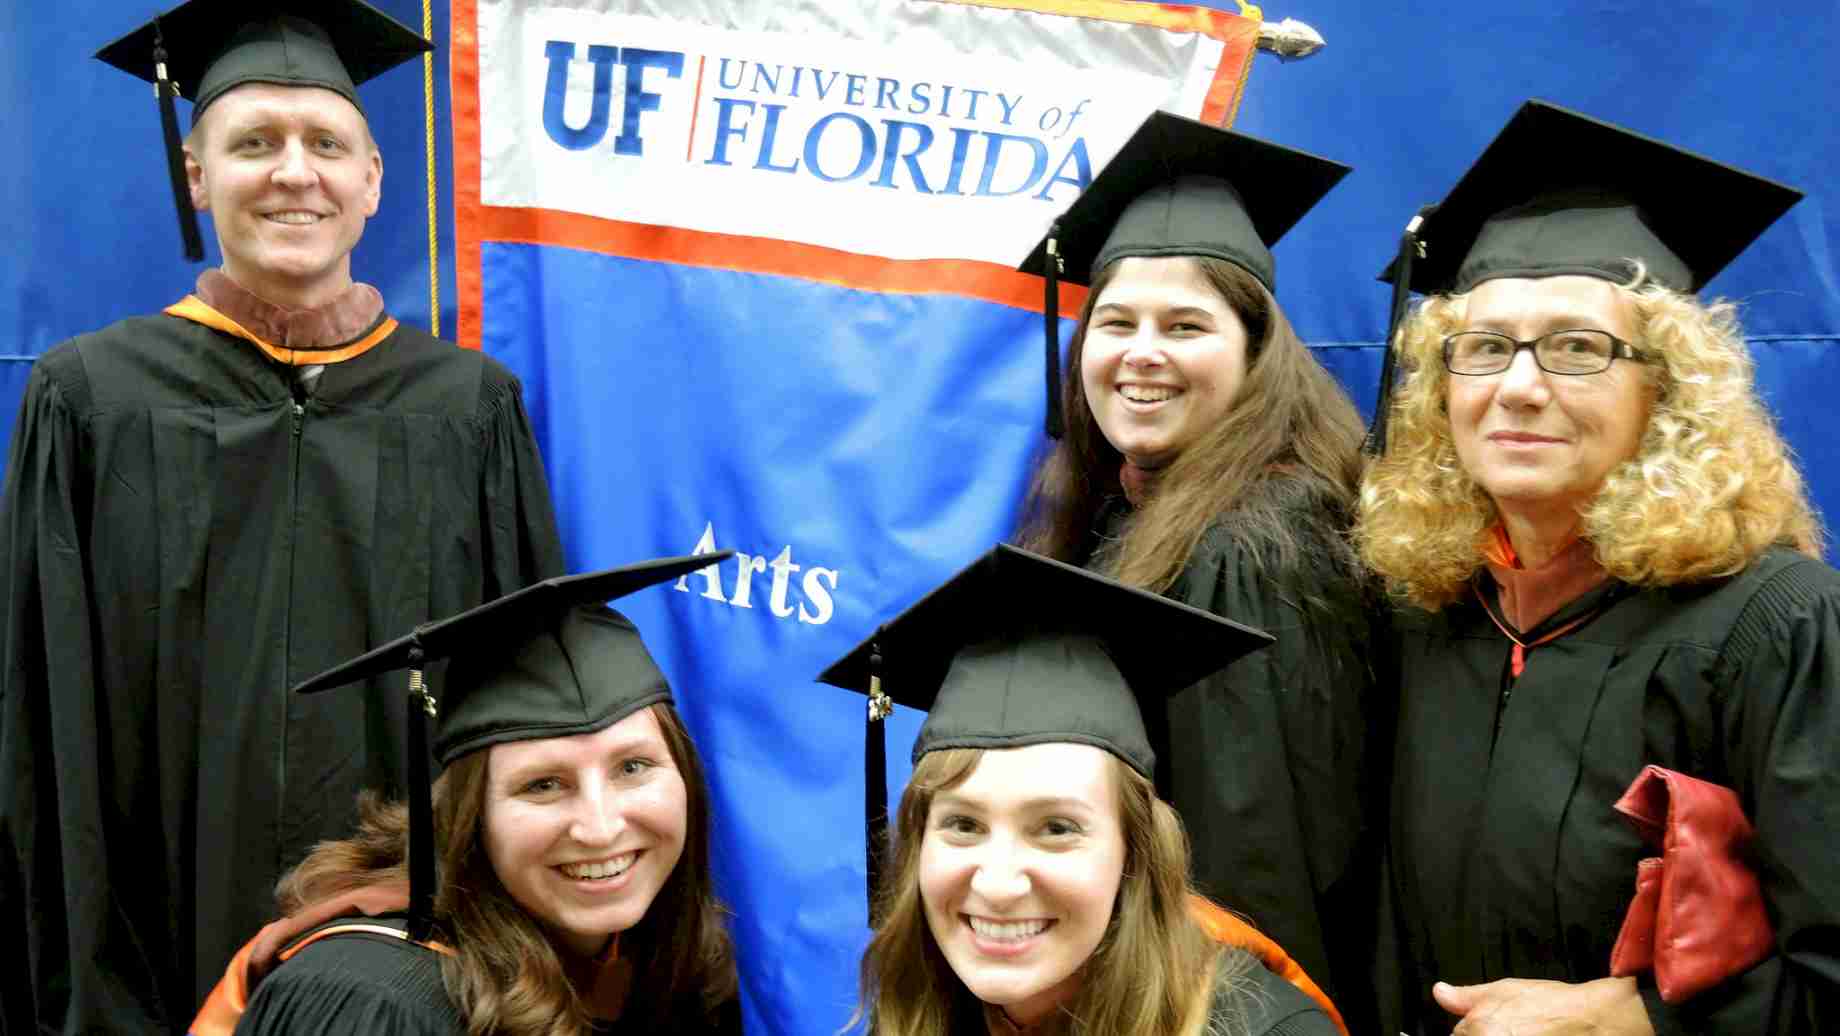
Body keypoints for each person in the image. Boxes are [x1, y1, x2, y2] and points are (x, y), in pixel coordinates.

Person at [0, 4, 564, 1031]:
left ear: (372, 181)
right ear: (195, 173)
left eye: (326, 144)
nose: (293, 171)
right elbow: (42, 716)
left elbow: (522, 704)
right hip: (147, 934)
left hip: (397, 961)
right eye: (253, 142)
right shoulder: (89, 397)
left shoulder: (467, 409)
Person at [1357, 99, 1840, 1035]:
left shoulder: (1776, 626)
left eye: (1579, 348)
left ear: (1665, 388)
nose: (1520, 385)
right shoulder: (1428, 610)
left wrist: (1635, 1022)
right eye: (1485, 347)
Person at [1013, 110, 1379, 1027]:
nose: (1142, 352)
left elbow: (1255, 857)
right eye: (1118, 321)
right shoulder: (1123, 505)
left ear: (1256, 354)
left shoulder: (1254, 545)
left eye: (1185, 325)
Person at [190, 554, 741, 1035]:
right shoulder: (371, 997)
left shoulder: (650, 957)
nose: (599, 827)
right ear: (468, 814)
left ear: (687, 777)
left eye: (634, 766)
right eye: (542, 785)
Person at [824, 544, 1347, 1036]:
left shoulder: (1265, 1028)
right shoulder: (922, 1010)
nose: (999, 885)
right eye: (963, 824)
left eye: (1056, 828)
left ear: (1136, 852)